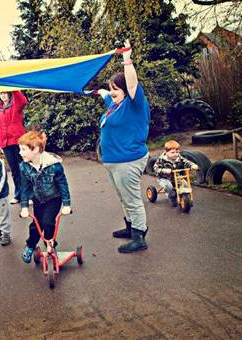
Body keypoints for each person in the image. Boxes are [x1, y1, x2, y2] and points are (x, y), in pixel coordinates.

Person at [97, 40, 150, 253]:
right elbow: (105, 97)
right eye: (111, 89)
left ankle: (140, 236)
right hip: (113, 162)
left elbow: (132, 84)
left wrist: (127, 60)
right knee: (123, 197)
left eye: (115, 88)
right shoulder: (114, 106)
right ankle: (130, 227)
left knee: (132, 198)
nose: (112, 92)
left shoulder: (134, 104)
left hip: (128, 160)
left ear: (125, 90)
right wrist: (98, 91)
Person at [18, 131, 72, 263]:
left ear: (35, 149)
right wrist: (24, 206)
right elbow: (25, 187)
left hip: (54, 198)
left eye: (23, 149)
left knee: (48, 222)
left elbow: (62, 184)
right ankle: (30, 245)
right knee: (36, 225)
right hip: (38, 199)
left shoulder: (54, 165)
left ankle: (50, 245)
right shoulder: (24, 167)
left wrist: (66, 204)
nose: (20, 152)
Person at [0, 91, 28, 204]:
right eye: (1, 93)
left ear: (9, 94)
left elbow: (23, 101)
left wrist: (12, 88)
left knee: (24, 168)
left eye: (5, 93)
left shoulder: (16, 105)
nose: (3, 95)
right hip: (6, 144)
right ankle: (18, 195)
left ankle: (29, 194)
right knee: (14, 170)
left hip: (18, 141)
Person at [153, 140, 199, 206]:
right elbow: (155, 168)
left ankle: (184, 198)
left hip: (176, 177)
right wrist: (164, 170)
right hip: (164, 178)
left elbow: (186, 162)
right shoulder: (161, 159)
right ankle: (172, 198)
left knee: (185, 184)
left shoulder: (179, 158)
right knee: (168, 186)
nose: (175, 154)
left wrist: (193, 165)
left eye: (177, 152)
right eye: (172, 152)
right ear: (166, 152)